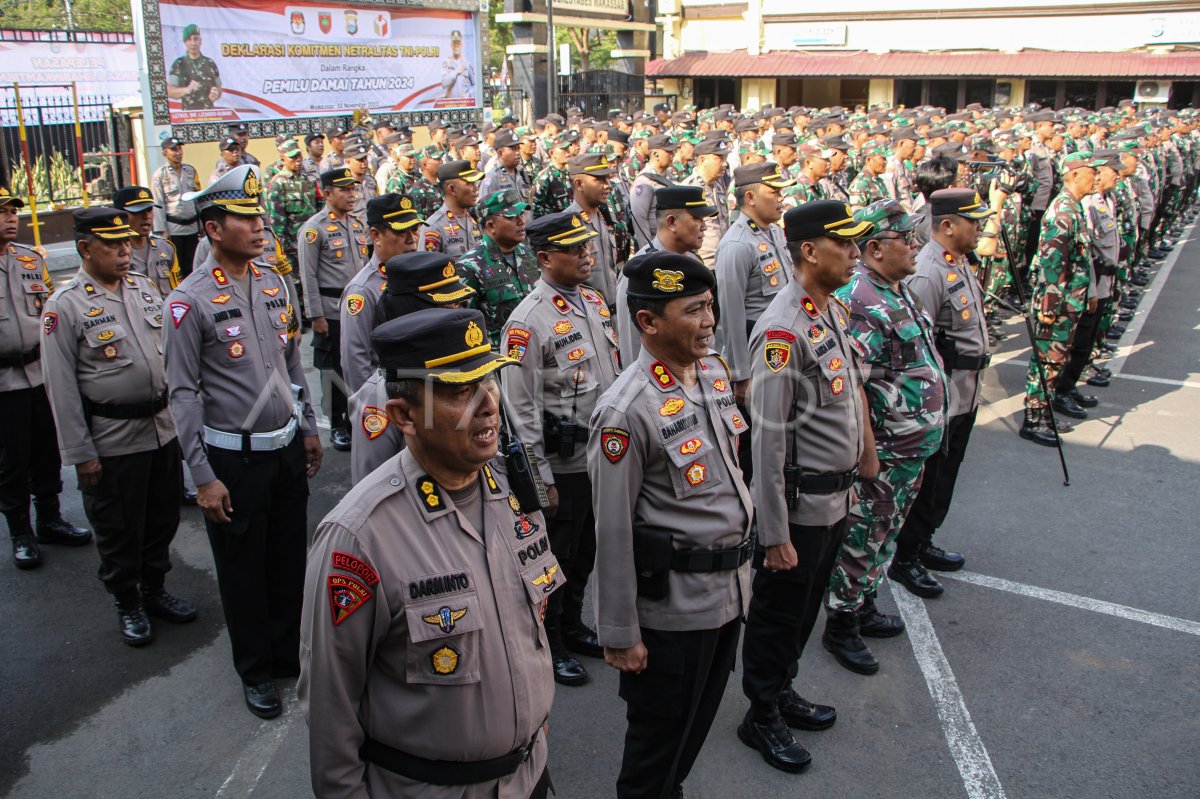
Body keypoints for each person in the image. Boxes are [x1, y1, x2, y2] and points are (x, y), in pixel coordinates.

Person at [299, 307, 556, 799]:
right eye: (461, 390)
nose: (488, 404)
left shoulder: (513, 488)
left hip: (528, 776)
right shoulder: (358, 537)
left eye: (490, 381)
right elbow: (331, 707)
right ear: (403, 415)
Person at [590, 251, 753, 799]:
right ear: (648, 322)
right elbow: (611, 531)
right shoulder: (625, 409)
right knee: (654, 753)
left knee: (689, 736)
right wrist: (619, 633)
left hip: (726, 596)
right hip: (673, 615)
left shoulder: (710, 371)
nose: (709, 321)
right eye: (693, 311)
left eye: (709, 307)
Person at [164, 164, 322, 719]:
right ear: (212, 228)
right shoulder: (189, 301)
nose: (260, 227)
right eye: (246, 218)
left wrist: (306, 426)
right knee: (241, 571)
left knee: (285, 562)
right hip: (233, 459)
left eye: (260, 217)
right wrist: (203, 476)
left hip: (282, 451)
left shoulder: (274, 281)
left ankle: (286, 656)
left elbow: (291, 365)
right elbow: (182, 395)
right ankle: (255, 671)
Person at [738, 199, 872, 774]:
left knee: (805, 609)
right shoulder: (782, 329)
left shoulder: (828, 311)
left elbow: (845, 402)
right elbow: (766, 443)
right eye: (844, 244)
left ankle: (781, 688)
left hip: (832, 499)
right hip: (798, 510)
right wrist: (772, 532)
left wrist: (858, 472)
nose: (854, 253)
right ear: (811, 251)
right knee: (779, 615)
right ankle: (760, 714)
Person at [41, 208, 195, 645]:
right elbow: (61, 387)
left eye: (126, 242)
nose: (124, 251)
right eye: (111, 244)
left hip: (161, 429)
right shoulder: (64, 306)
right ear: (84, 248)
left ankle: (155, 589)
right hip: (113, 439)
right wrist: (81, 453)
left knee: (161, 518)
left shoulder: (144, 289)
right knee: (118, 527)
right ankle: (127, 601)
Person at [821, 200, 948, 675]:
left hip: (912, 443)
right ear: (875, 248)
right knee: (865, 533)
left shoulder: (895, 289)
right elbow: (853, 387)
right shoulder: (861, 299)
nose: (916, 246)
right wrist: (868, 452)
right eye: (905, 239)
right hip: (889, 450)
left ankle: (864, 604)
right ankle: (842, 623)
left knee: (885, 532)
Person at [501, 210, 621, 688]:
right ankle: (550, 641)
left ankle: (573, 624)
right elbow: (520, 409)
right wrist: (539, 477)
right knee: (558, 557)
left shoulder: (593, 301)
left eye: (586, 245)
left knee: (588, 549)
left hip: (599, 458)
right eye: (574, 249)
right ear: (545, 257)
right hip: (562, 465)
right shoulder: (527, 321)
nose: (585, 254)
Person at [891, 188, 993, 597]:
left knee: (946, 475)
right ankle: (906, 555)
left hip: (966, 391)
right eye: (973, 221)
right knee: (929, 478)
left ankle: (924, 539)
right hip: (944, 396)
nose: (980, 228)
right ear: (947, 225)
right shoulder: (928, 270)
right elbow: (917, 345)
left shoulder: (957, 262)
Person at [0, 184, 92, 569]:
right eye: (3, 213)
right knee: (11, 459)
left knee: (46, 451)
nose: (11, 219)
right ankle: (21, 531)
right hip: (3, 382)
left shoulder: (29, 261)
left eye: (12, 212)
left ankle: (50, 518)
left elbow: (48, 315)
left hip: (40, 373)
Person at [346, 253, 475, 484]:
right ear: (411, 310)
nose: (458, 314)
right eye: (448, 305)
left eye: (460, 303)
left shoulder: (469, 369)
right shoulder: (381, 392)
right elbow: (370, 488)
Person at [1020, 153, 1103, 445]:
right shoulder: (1063, 211)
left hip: (1070, 301)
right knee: (1046, 361)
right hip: (1057, 304)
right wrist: (1049, 306)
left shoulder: (1074, 207)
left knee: (1056, 360)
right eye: (1092, 172)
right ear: (1075, 175)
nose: (1097, 177)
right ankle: (1033, 419)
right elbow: (1052, 264)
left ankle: (1044, 412)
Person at [298, 167, 369, 451]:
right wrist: (315, 315)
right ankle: (337, 422)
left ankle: (357, 416)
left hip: (358, 307)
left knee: (358, 362)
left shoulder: (356, 224)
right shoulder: (314, 230)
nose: (351, 195)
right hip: (330, 309)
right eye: (344, 190)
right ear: (327, 193)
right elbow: (308, 276)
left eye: (353, 189)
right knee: (332, 368)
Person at [713, 162, 795, 386]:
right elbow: (731, 316)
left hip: (784, 340)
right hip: (758, 346)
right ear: (750, 197)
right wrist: (740, 374)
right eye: (774, 192)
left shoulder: (775, 232)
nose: (781, 198)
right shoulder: (737, 244)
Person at [615, 186, 716, 366]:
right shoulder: (640, 271)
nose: (704, 226)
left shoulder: (692, 261)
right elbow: (632, 345)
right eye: (697, 218)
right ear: (671, 222)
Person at [339, 194, 424, 395]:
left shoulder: (420, 276)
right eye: (401, 231)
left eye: (415, 229)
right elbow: (356, 362)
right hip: (389, 398)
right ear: (376, 235)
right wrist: (374, 410)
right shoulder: (362, 291)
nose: (412, 239)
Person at [456, 188, 538, 347]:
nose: (521, 221)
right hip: (500, 356)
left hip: (535, 347)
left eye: (521, 214)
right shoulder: (470, 265)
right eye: (512, 217)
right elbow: (464, 323)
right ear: (491, 225)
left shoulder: (526, 254)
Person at [563, 152, 622, 306]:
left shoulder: (605, 216)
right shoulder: (567, 223)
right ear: (579, 184)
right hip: (587, 312)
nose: (607, 185)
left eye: (607, 178)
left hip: (612, 310)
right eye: (599, 179)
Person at [115, 186, 179, 298]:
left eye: (149, 210)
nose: (146, 216)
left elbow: (177, 289)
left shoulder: (165, 247)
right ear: (120, 216)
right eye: (138, 211)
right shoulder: (115, 254)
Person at [152, 137, 201, 279]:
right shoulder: (160, 175)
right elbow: (158, 203)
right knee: (176, 267)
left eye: (179, 148)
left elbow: (198, 198)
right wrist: (163, 230)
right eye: (173, 149)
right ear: (165, 153)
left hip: (192, 227)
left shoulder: (191, 171)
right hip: (174, 228)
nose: (178, 152)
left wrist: (202, 222)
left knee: (192, 266)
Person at [682, 137, 731, 268]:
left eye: (725, 158)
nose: (725, 164)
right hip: (703, 263)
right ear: (703, 160)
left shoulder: (718, 186)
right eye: (719, 158)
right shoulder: (689, 188)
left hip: (723, 259)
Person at [421, 160, 483, 258]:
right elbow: (428, 269)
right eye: (469, 184)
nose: (475, 189)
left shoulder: (475, 219)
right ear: (452, 189)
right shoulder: (434, 226)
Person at [629, 134, 677, 250]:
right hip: (655, 243)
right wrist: (648, 250)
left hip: (671, 242)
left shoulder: (669, 176)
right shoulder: (644, 181)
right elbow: (639, 219)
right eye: (668, 152)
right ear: (656, 154)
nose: (672, 155)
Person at [167, 24, 221, 110]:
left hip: (210, 116)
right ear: (185, 42)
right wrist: (187, 90)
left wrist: (216, 94)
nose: (193, 43)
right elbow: (170, 91)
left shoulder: (210, 63)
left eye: (196, 39)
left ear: (200, 41)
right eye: (189, 39)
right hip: (189, 118)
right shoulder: (178, 64)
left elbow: (219, 88)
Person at [479, 129, 531, 216]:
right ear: (500, 153)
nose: (518, 153)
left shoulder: (522, 173)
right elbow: (484, 210)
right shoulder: (492, 177)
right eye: (513, 149)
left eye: (518, 148)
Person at [440, 29, 475, 98]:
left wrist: (469, 94)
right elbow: (444, 83)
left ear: (461, 45)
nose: (456, 47)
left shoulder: (467, 64)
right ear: (451, 45)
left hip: (465, 105)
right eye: (454, 44)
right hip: (450, 105)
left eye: (458, 44)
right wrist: (456, 72)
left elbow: (475, 85)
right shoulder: (446, 63)